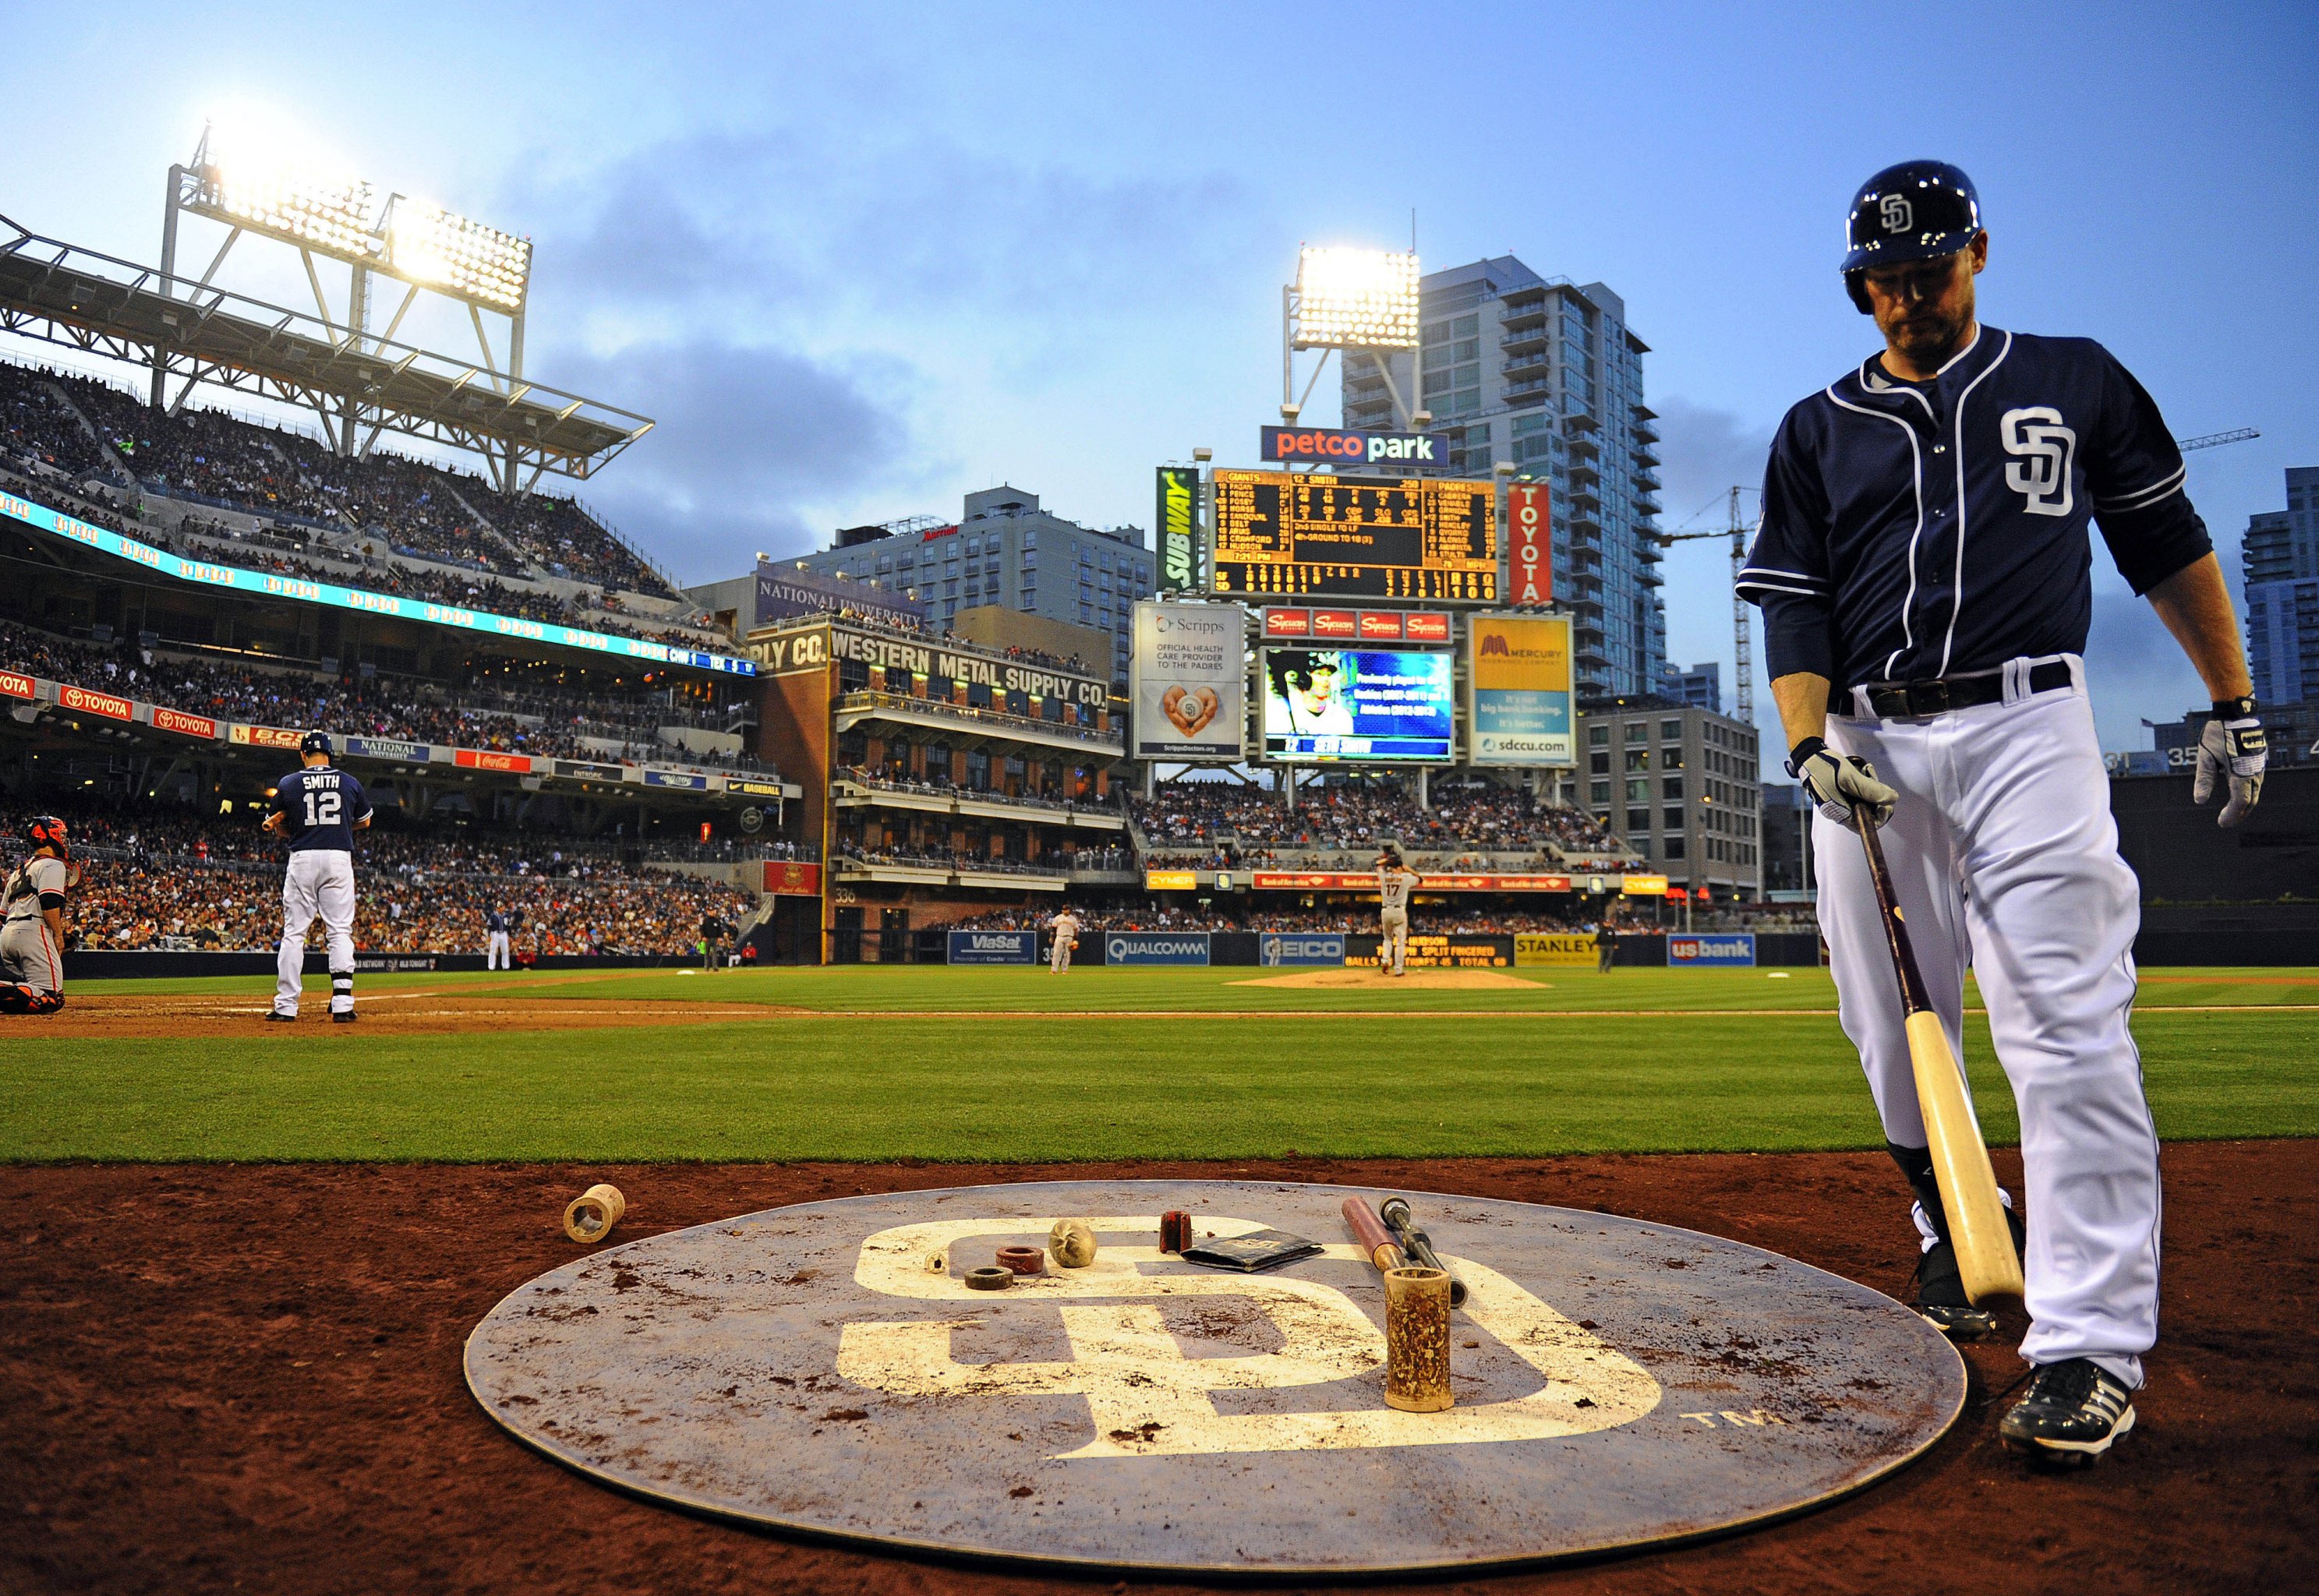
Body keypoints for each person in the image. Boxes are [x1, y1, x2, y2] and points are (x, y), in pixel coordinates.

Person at [1739, 161, 2267, 1469]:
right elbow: (1794, 605)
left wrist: (2234, 699)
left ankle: (2087, 1344)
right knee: (1887, 1021)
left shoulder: (2077, 378)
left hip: (2031, 722)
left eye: (1934, 268)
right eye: (1888, 278)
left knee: (2068, 1021)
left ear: (1978, 254)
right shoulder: (1815, 427)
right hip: (1862, 739)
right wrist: (1807, 744)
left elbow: (2166, 540)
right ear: (1859, 287)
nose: (1912, 294)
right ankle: (1953, 1227)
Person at [263, 732, 373, 1022]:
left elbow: (279, 826)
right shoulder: (349, 782)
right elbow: (366, 821)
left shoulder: (288, 784)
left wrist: (292, 827)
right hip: (338, 857)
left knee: (294, 934)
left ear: (303, 755)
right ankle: (342, 1003)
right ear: (330, 754)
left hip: (303, 857)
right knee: (339, 931)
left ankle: (286, 1006)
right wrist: (339, 827)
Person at [0, 815, 72, 1015]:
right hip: (33, 930)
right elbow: (49, 901)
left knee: (28, 988)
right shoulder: (52, 864)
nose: (65, 840)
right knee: (51, 997)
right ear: (50, 836)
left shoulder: (18, 871)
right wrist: (58, 935)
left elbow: (2, 913)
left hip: (8, 933)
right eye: (62, 834)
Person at [1375, 843, 1419, 977]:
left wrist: (1387, 860)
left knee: (1387, 939)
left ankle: (1385, 959)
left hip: (1385, 911)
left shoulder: (1383, 877)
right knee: (1400, 942)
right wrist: (1409, 870)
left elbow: (1378, 866)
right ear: (1400, 868)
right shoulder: (1405, 878)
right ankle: (1398, 970)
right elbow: (1420, 879)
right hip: (1399, 911)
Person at [1048, 906, 1082, 974]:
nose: (1065, 911)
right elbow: (1053, 928)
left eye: (1066, 909)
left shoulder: (1073, 919)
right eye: (1063, 910)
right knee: (1056, 953)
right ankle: (1054, 970)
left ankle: (1064, 970)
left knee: (1067, 954)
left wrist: (1076, 940)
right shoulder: (1058, 917)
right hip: (1059, 937)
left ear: (1069, 910)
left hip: (1069, 937)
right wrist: (1051, 937)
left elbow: (1076, 930)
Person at [485, 906, 511, 970]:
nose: (502, 909)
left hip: (504, 933)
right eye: (501, 907)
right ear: (497, 908)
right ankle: (491, 967)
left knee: (505, 950)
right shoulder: (493, 916)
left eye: (503, 907)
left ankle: (506, 966)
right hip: (495, 933)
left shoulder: (506, 916)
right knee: (493, 950)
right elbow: (489, 926)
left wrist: (510, 935)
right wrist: (489, 935)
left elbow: (509, 926)